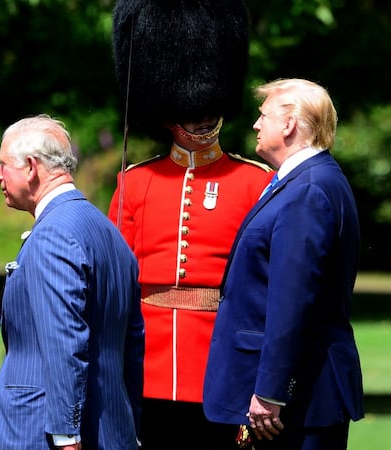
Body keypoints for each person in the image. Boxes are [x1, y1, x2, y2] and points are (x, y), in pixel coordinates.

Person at [109, 1, 273, 448]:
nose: (200, 119)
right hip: (147, 354)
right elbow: (116, 278)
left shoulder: (254, 182)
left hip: (220, 353)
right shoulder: (135, 181)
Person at [203, 78, 365, 450]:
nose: (256, 124)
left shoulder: (307, 189)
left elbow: (291, 300)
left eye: (264, 116)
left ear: (289, 124)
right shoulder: (303, 182)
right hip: (299, 393)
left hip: (299, 398)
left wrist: (272, 391)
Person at [0, 115, 144, 450]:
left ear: (31, 167)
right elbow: (133, 344)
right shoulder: (106, 230)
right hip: (111, 425)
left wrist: (66, 433)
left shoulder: (53, 234)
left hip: (38, 429)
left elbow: (64, 339)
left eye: (3, 165)